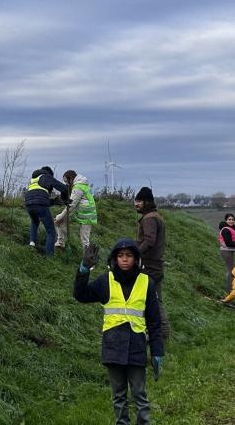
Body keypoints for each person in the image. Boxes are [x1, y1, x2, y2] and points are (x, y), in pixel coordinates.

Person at [74, 239, 164, 425]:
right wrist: (84, 269)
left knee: (139, 394)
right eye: (121, 255)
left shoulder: (146, 283)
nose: (124, 259)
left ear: (136, 259)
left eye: (129, 255)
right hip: (113, 347)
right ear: (115, 259)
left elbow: (155, 322)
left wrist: (157, 351)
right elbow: (81, 295)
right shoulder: (105, 281)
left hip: (137, 347)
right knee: (119, 396)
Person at [134, 186, 170, 340]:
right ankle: (159, 331)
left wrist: (135, 254)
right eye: (136, 200)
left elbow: (149, 241)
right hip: (155, 265)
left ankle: (161, 331)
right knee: (154, 299)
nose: (136, 204)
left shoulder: (149, 218)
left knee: (152, 300)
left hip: (149, 267)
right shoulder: (155, 216)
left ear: (147, 202)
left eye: (139, 201)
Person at [24, 166, 69, 256]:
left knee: (35, 221)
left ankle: (32, 243)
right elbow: (64, 188)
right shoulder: (47, 176)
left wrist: (53, 201)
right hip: (40, 204)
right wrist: (65, 199)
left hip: (28, 203)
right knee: (51, 231)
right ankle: (49, 257)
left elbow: (38, 197)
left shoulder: (33, 180)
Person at [54, 169, 98, 251]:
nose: (66, 184)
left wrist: (61, 216)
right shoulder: (83, 184)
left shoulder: (78, 187)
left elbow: (71, 205)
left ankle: (88, 258)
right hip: (83, 212)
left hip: (86, 215)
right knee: (60, 219)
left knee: (84, 240)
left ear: (71, 179)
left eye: (66, 181)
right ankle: (61, 242)